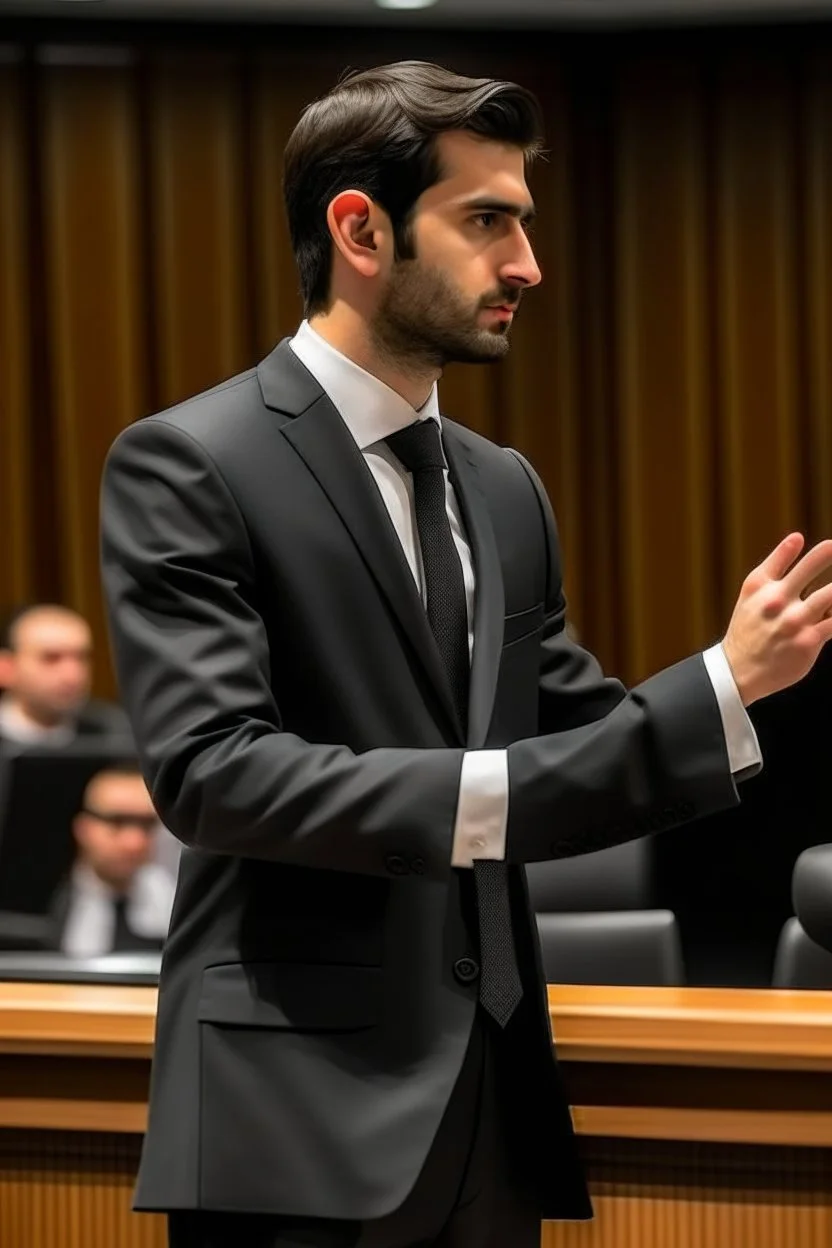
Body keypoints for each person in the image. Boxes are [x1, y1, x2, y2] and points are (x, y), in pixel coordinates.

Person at [99, 61, 832, 1248]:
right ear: (360, 228)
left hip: (492, 1112)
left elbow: (576, 736)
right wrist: (497, 800)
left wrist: (738, 684)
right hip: (292, 1122)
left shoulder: (503, 487)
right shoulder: (190, 461)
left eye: (524, 224)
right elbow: (214, 773)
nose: (527, 266)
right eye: (486, 221)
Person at [48, 762, 175, 958]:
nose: (134, 842)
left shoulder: (173, 902)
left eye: (146, 825)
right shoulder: (44, 900)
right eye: (117, 821)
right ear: (83, 827)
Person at [0, 604, 130, 747]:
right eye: (51, 658)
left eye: (82, 657)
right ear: (5, 667)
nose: (72, 674)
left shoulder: (118, 735)